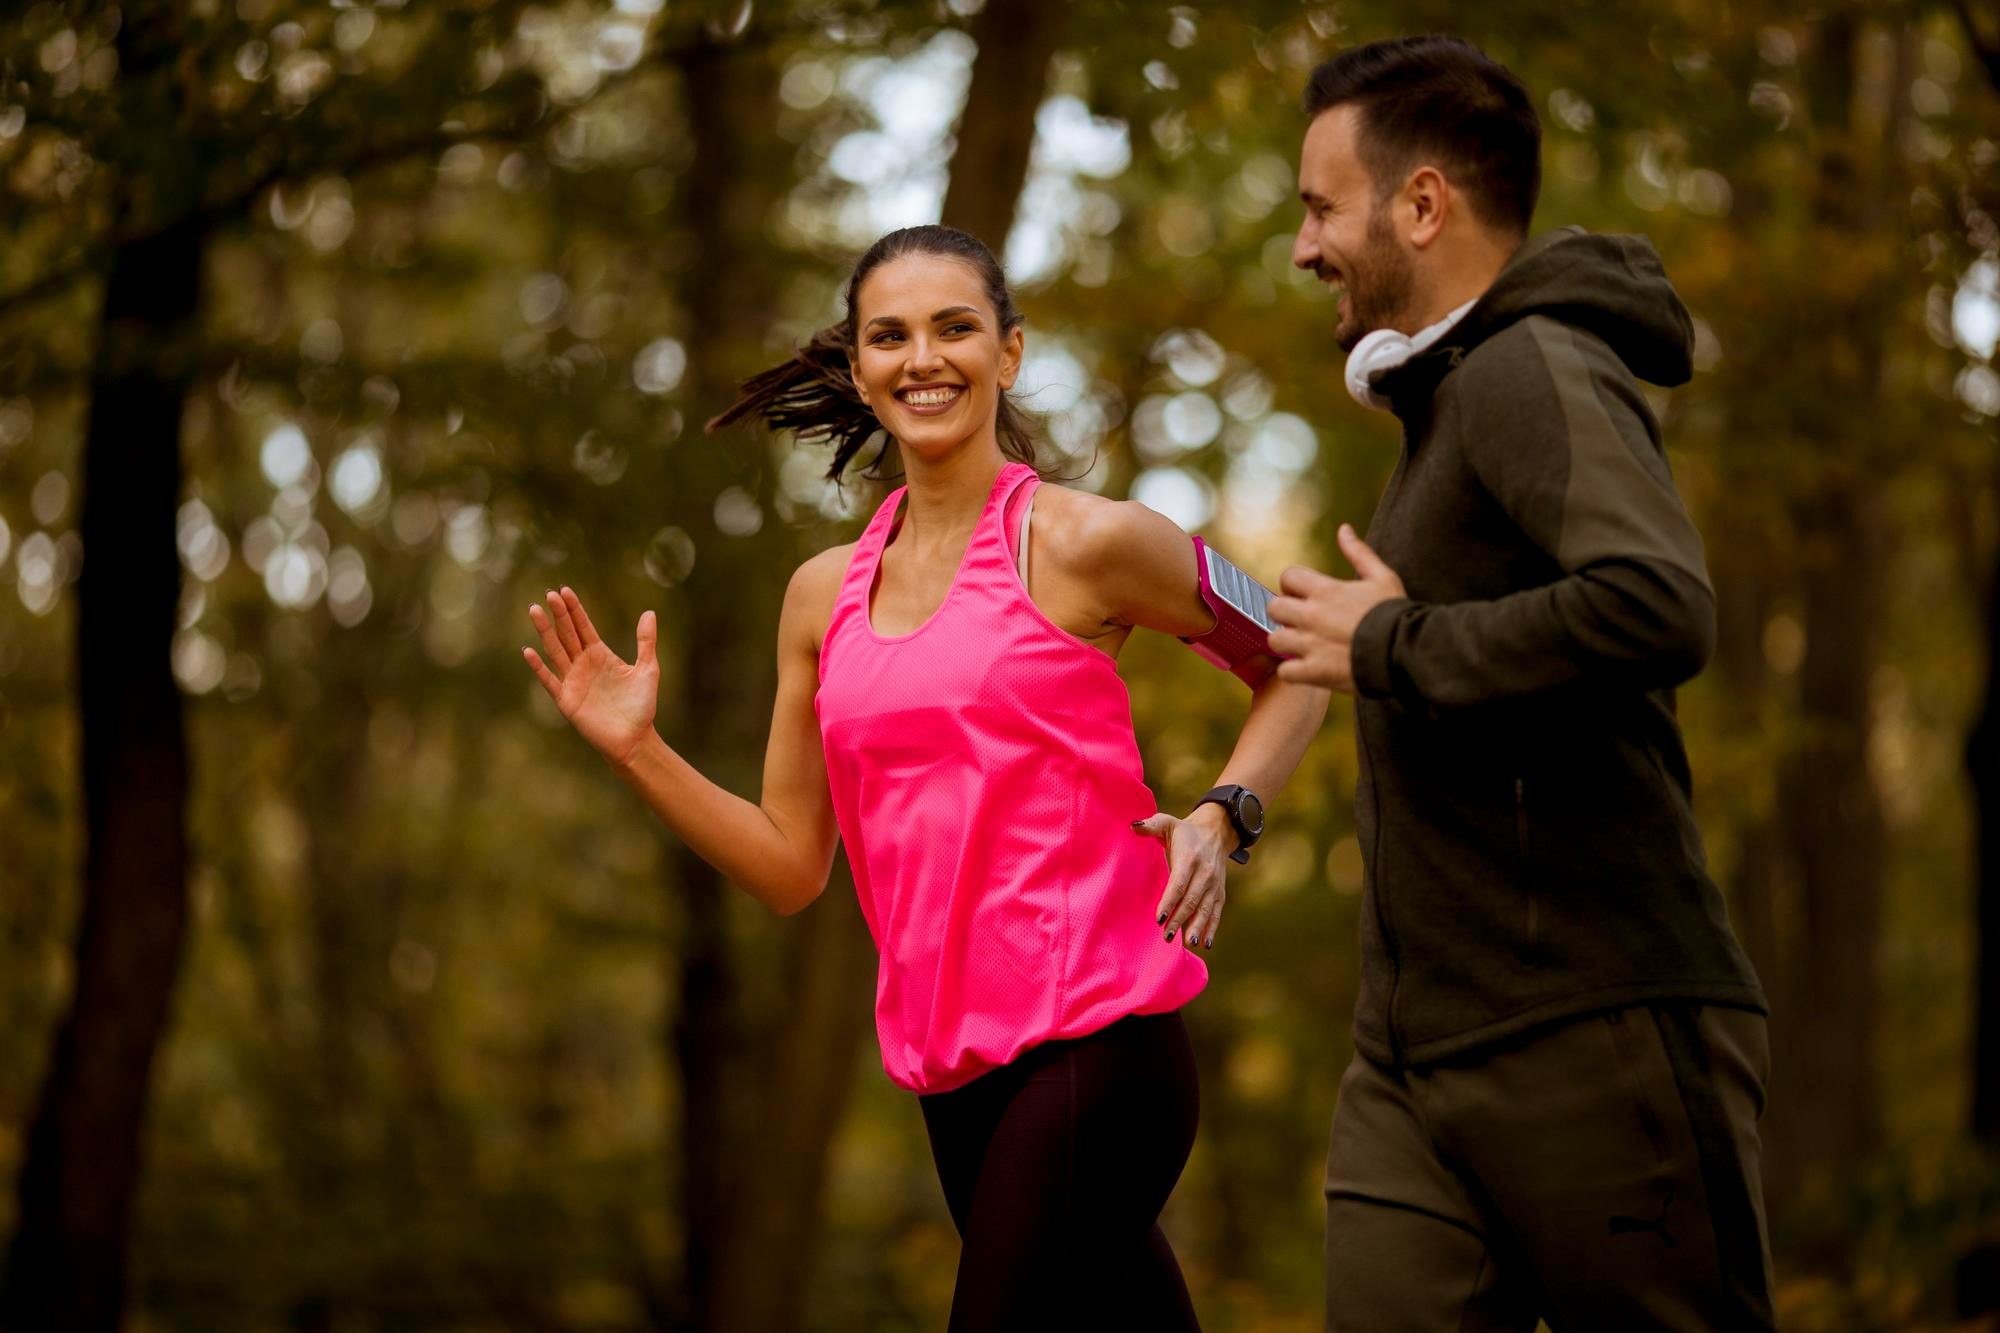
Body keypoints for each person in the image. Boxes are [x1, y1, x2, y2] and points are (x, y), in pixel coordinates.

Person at [520, 223, 1327, 1332]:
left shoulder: (1088, 542)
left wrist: (1222, 813)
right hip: (955, 1087)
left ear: (1008, 351)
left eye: (955, 327)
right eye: (888, 337)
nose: (923, 358)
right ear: (858, 369)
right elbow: (790, 866)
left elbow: (1296, 658)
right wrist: (639, 751)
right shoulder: (821, 597)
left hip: (1101, 1049)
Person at [1262, 36, 1776, 1332]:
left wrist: (1393, 644)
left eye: (1322, 207)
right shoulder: (1442, 409)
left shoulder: (1531, 363)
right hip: (1414, 1055)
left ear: (1421, 203)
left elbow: (1661, 602)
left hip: (1597, 1028)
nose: (1305, 246)